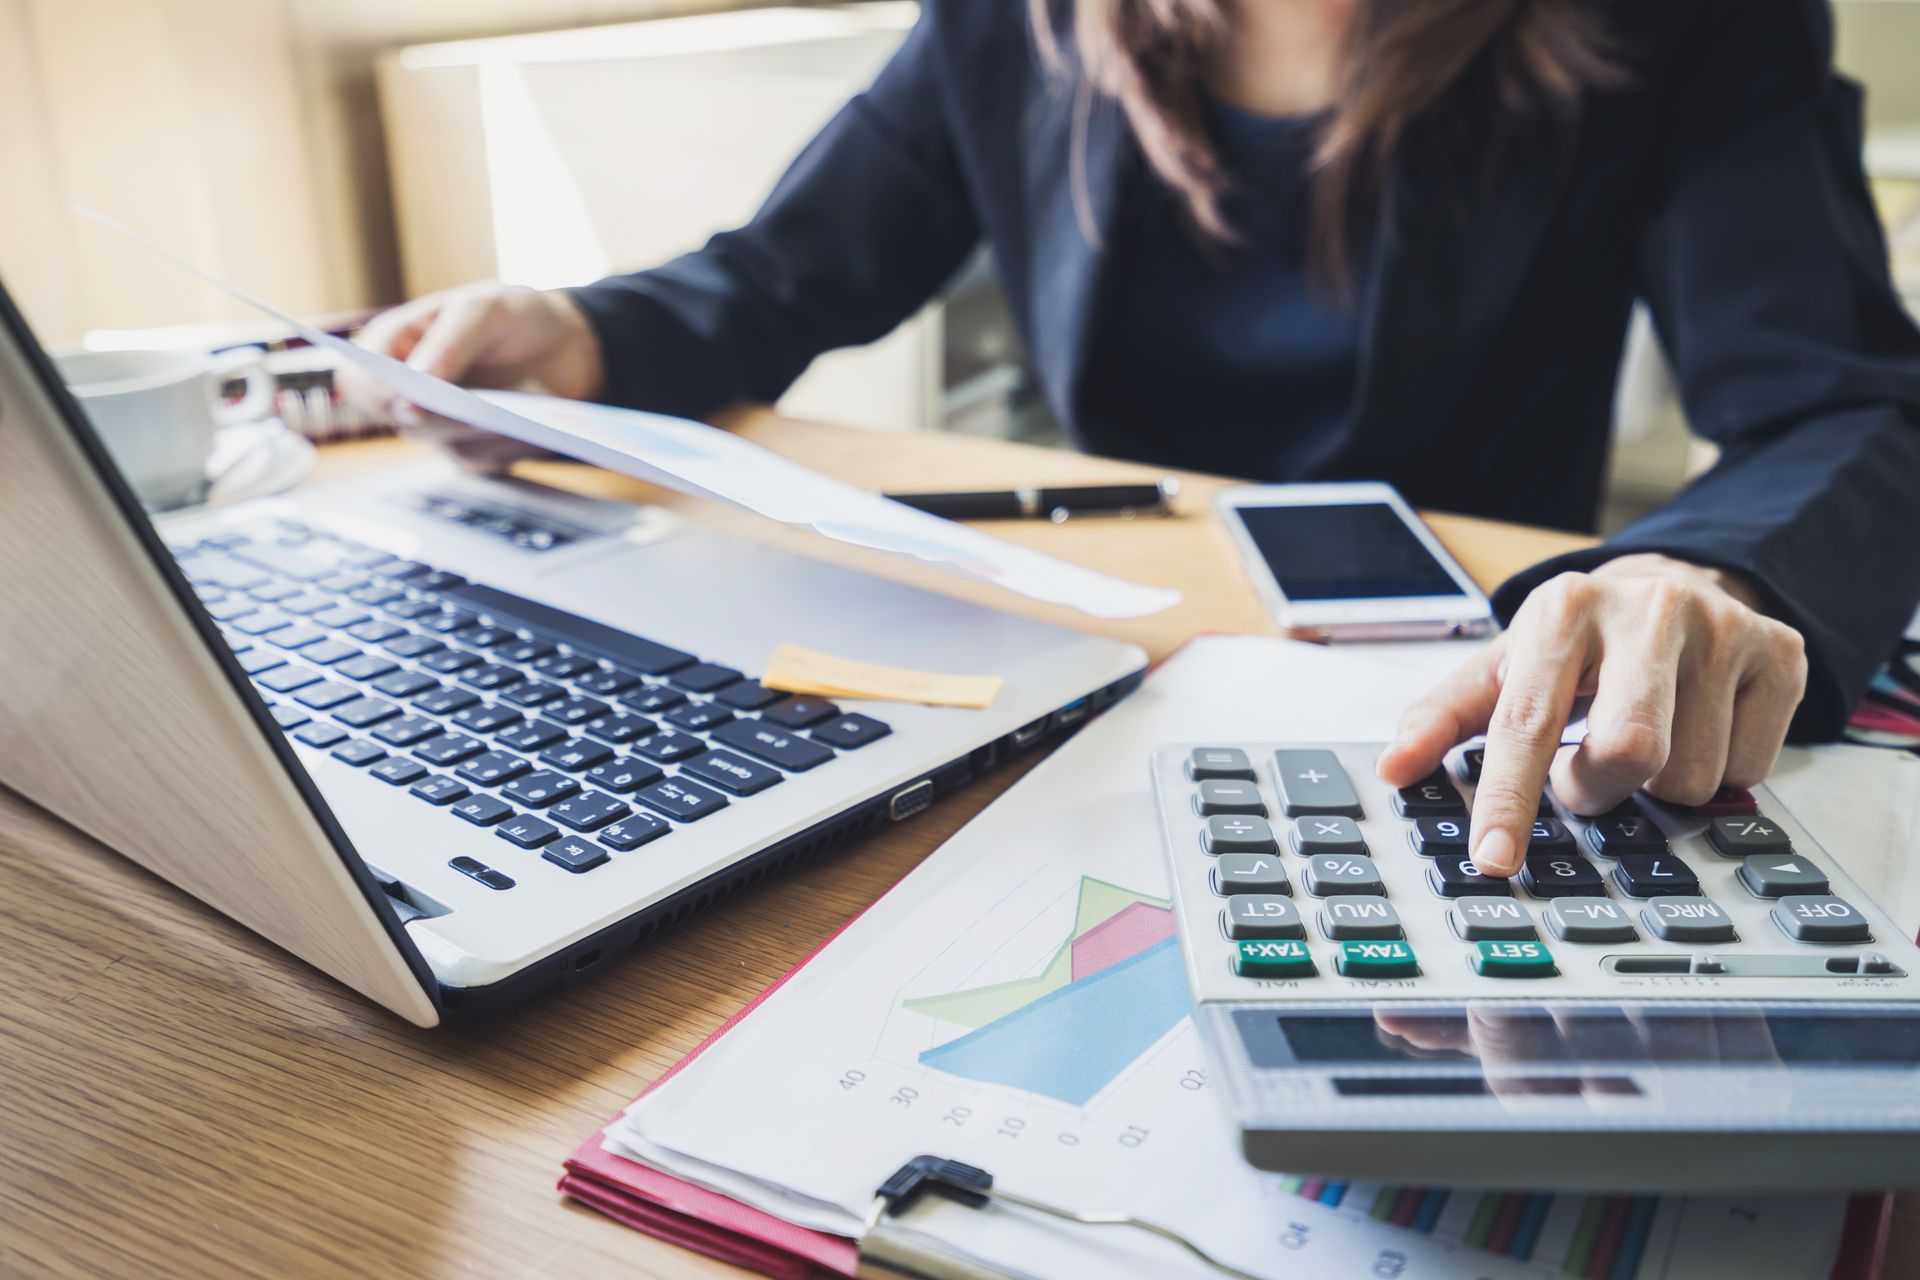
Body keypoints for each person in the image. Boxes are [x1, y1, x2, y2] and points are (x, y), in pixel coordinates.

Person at [358, 0, 1920, 878]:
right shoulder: (1008, 23)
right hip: (1089, 681)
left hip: (1456, 701)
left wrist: (1702, 572)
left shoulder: (1694, 25)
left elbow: (1841, 394)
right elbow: (781, 278)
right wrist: (588, 333)